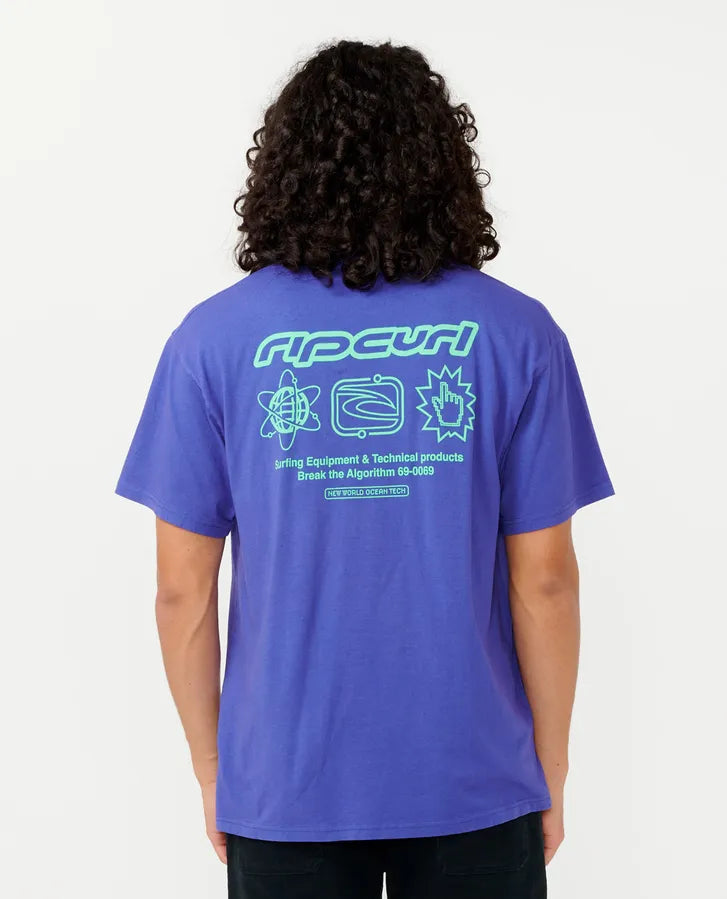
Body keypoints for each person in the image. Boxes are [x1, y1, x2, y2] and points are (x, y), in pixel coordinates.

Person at [116, 39, 614, 899]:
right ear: (441, 167)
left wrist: (213, 769)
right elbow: (545, 580)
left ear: (283, 169)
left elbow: (180, 591)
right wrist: (550, 765)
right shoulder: (517, 333)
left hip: (284, 783)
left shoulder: (213, 339)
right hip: (476, 777)